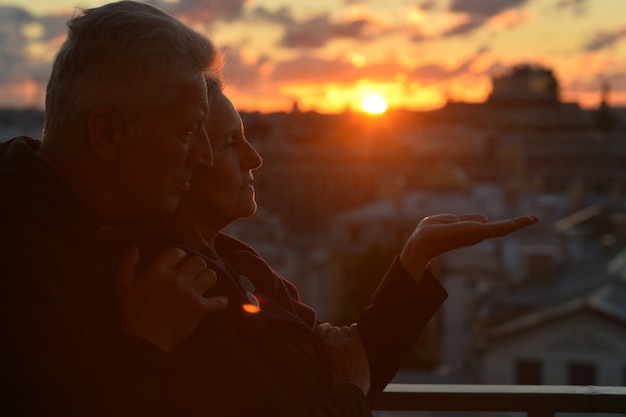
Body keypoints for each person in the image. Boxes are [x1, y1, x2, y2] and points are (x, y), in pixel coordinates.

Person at [136, 77, 539, 416]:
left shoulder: (233, 259)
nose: (255, 158)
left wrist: (416, 256)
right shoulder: (184, 289)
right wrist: (348, 387)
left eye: (247, 138)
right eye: (230, 143)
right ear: (183, 162)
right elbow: (344, 383)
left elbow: (349, 366)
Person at [0, 2, 228, 416]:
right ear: (107, 134)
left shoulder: (120, 226)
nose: (205, 158)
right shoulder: (17, 265)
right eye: (187, 131)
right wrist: (148, 341)